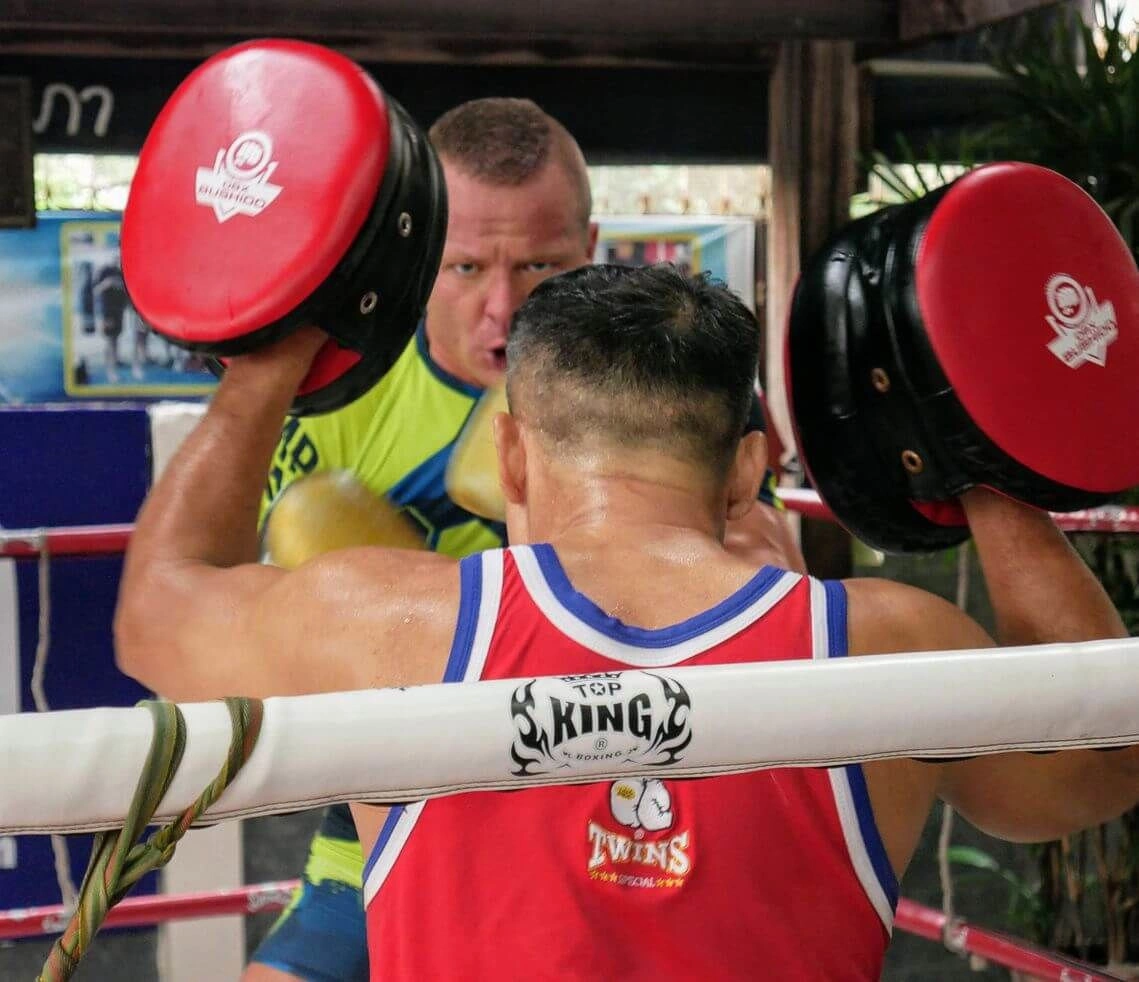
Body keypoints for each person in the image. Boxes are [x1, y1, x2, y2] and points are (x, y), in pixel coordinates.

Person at [116, 262, 1139, 980]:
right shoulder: (881, 649)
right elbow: (1102, 762)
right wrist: (975, 461)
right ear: (746, 472)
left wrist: (270, 362)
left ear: (509, 460)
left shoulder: (387, 625)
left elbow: (156, 614)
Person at [245, 97, 804, 981]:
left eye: (539, 265)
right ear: (419, 253)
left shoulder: (673, 376)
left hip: (637, 806)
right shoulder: (341, 395)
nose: (501, 308)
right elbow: (260, 650)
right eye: (465, 267)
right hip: (399, 810)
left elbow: (775, 580)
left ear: (590, 245)